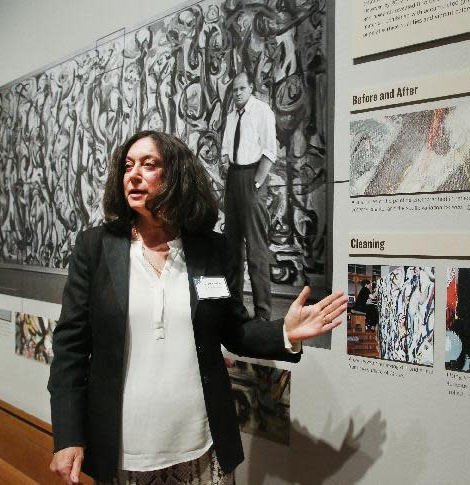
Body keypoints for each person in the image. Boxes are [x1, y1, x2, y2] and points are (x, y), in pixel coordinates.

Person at [48, 131, 346, 485]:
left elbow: (233, 330)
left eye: (149, 164)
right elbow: (70, 349)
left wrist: (285, 332)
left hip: (202, 446)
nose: (134, 174)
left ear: (175, 175)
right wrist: (68, 435)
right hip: (124, 449)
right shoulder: (96, 247)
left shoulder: (210, 250)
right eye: (128, 166)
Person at [220, 71, 278, 320]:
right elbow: (225, 149)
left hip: (252, 179)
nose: (237, 94)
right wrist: (225, 164)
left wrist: (256, 182)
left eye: (242, 89)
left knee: (256, 249)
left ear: (251, 88)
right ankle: (235, 307)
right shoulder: (232, 116)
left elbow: (269, 151)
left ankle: (263, 313)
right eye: (234, 90)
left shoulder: (262, 111)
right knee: (232, 248)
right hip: (233, 179)